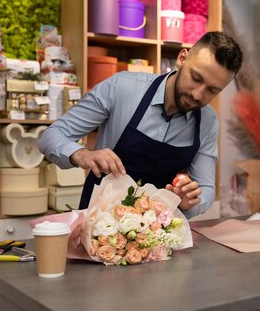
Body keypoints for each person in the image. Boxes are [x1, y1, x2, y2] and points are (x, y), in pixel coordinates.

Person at [39, 31, 243, 218]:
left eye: (212, 90)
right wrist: (82, 154)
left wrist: (190, 202)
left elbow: (206, 187)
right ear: (182, 59)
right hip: (99, 225)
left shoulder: (207, 122)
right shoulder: (122, 88)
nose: (198, 94)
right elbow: (51, 135)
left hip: (157, 234)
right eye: (196, 78)